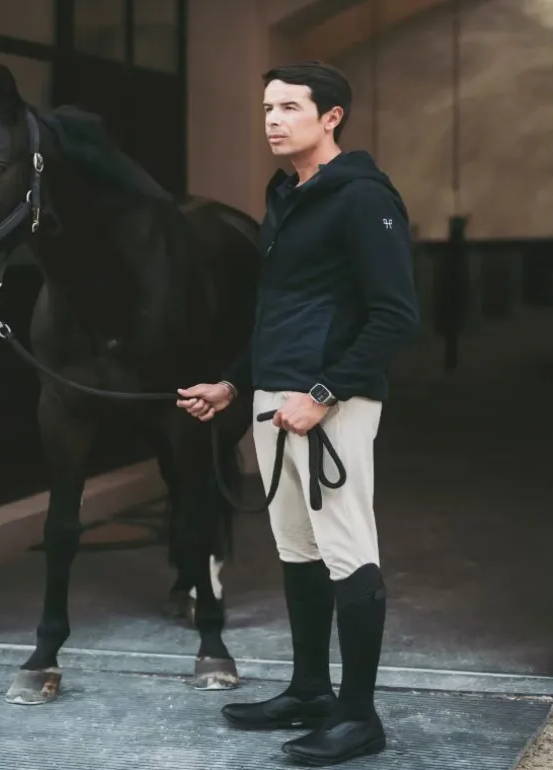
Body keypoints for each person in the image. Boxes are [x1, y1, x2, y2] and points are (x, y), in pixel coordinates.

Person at [177, 61, 420, 766]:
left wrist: (321, 396)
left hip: (328, 405)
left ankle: (359, 715)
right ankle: (311, 689)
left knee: (348, 551)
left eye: (289, 106)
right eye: (266, 108)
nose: (273, 120)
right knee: (297, 548)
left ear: (331, 117)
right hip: (273, 400)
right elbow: (281, 313)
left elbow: (395, 316)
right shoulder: (286, 195)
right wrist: (231, 384)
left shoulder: (363, 197)